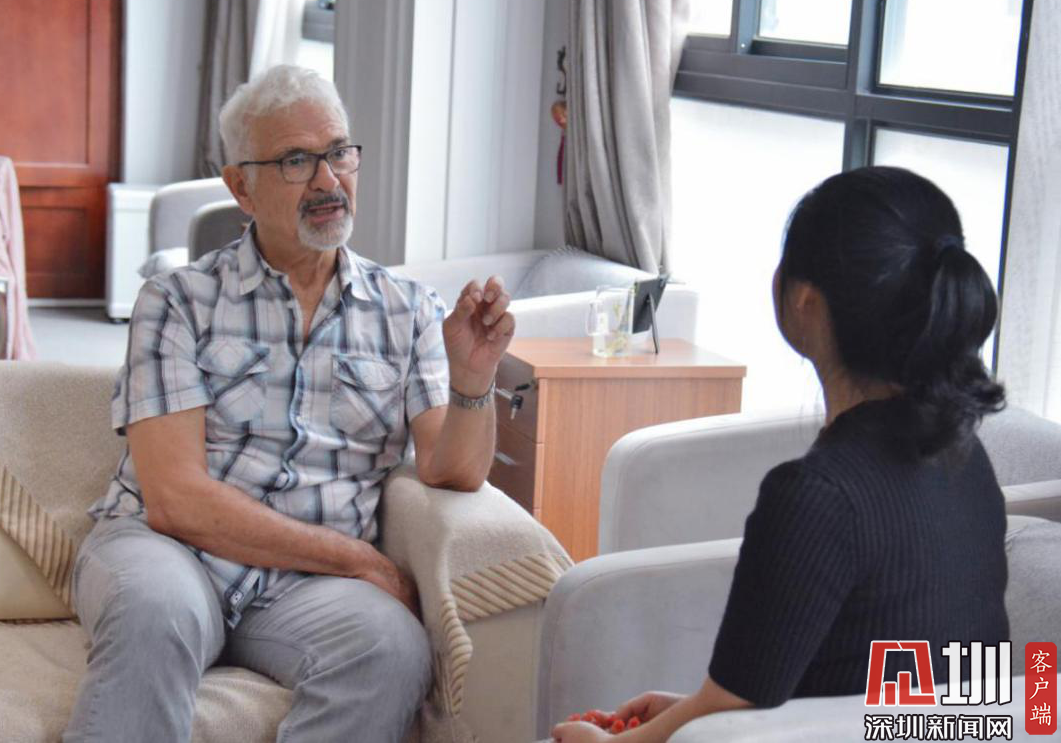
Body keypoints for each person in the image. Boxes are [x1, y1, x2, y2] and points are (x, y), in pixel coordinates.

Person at [64, 65, 515, 743]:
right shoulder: (177, 300)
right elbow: (176, 501)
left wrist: (472, 380)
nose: (328, 180)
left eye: (338, 152)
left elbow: (451, 472)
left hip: (304, 590)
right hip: (169, 552)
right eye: (296, 161)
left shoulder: (408, 311)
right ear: (240, 187)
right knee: (157, 611)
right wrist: (359, 559)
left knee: (391, 647)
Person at [553, 166, 1009, 742]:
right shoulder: (966, 457)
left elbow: (736, 706)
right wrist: (686, 712)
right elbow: (772, 693)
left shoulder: (816, 495)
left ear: (804, 301)